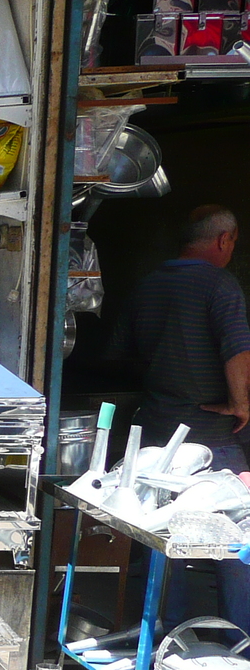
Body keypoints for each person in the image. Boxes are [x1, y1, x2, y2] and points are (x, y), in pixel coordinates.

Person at [109, 204, 250, 632]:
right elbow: (237, 350)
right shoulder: (220, 285)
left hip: (157, 435)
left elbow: (119, 352)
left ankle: (169, 636)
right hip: (211, 439)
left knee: (164, 538)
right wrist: (241, 403)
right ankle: (241, 639)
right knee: (236, 539)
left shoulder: (148, 285)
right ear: (224, 240)